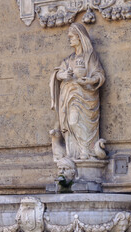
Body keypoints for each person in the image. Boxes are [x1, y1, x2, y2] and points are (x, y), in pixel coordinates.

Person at [50, 23, 105, 161]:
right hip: (69, 97)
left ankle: (87, 150)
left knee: (76, 123)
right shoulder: (69, 59)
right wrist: (62, 75)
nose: (69, 39)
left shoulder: (89, 57)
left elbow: (99, 74)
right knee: (70, 124)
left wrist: (89, 81)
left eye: (72, 37)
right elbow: (58, 73)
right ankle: (74, 153)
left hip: (86, 97)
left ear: (79, 38)